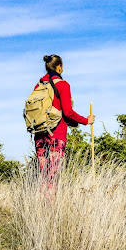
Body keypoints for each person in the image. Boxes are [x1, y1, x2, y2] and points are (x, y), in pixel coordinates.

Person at [33, 54, 95, 199]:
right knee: (52, 175)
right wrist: (86, 121)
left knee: (43, 175)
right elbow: (67, 112)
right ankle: (50, 211)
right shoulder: (63, 85)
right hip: (57, 134)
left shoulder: (39, 85)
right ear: (60, 67)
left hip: (39, 133)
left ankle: (40, 210)